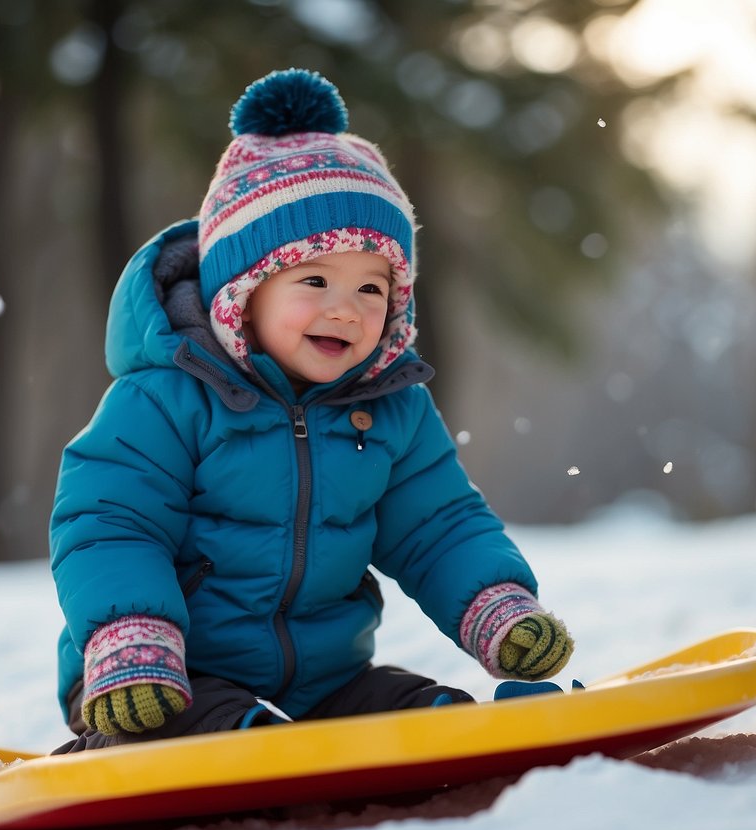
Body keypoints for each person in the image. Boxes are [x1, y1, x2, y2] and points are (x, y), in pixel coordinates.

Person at [49, 69, 573, 752]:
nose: (343, 308)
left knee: (421, 708)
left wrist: (494, 608)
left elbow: (439, 527)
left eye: (370, 288)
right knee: (207, 727)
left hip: (323, 683)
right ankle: (195, 737)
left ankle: (417, 737)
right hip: (162, 677)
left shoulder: (392, 409)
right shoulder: (163, 399)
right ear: (242, 294)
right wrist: (130, 637)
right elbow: (109, 523)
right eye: (314, 279)